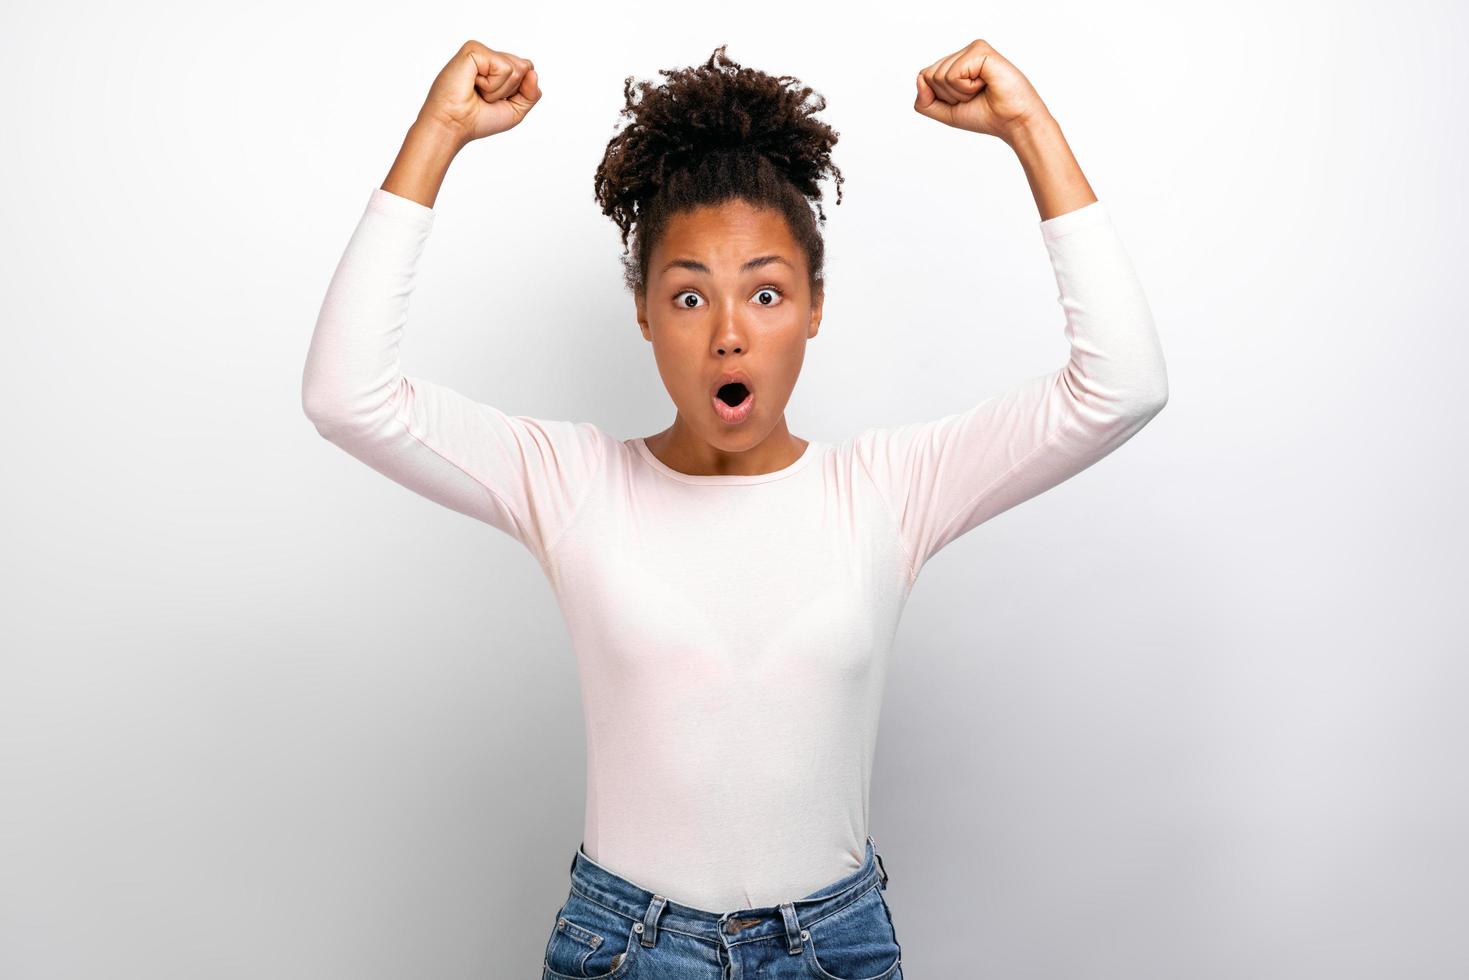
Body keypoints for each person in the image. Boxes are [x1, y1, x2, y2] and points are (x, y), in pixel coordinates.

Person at [301, 38, 1167, 980]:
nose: (727, 335)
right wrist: (439, 135)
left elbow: (1118, 387)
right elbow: (347, 397)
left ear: (813, 306)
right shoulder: (572, 481)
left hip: (834, 949)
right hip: (625, 950)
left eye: (764, 292)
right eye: (686, 296)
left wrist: (1027, 131)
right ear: (642, 311)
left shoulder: (886, 488)